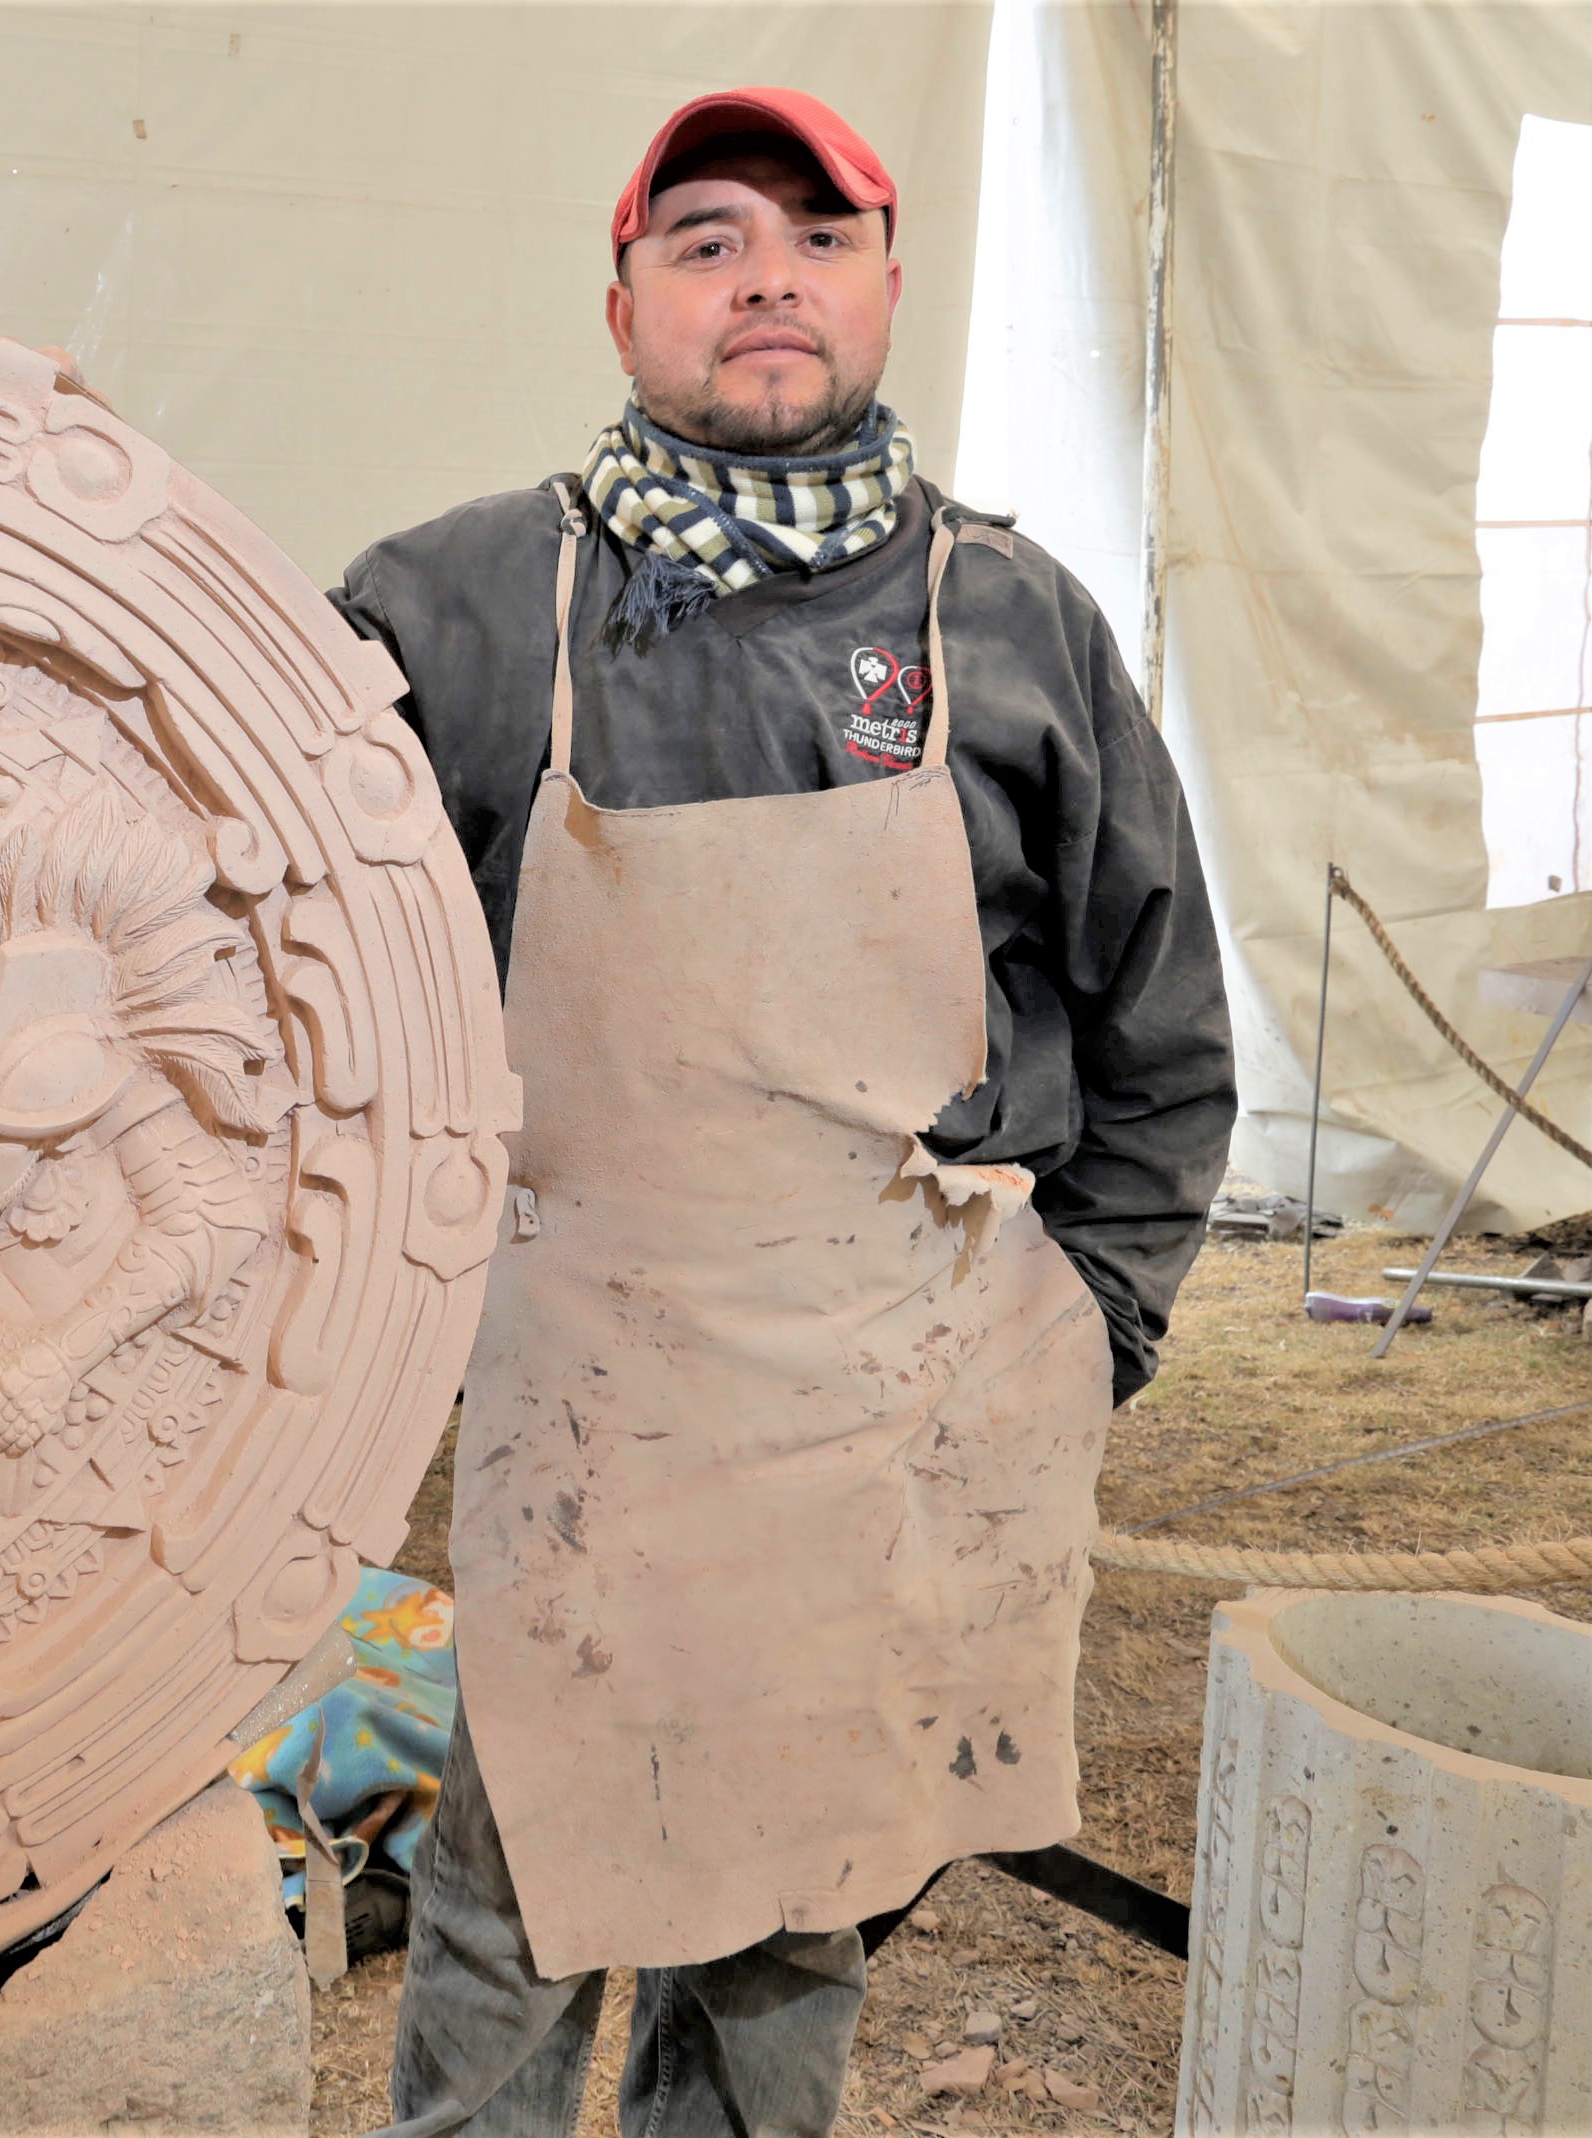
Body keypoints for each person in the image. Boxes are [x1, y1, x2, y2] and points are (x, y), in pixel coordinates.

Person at [328, 88, 1236, 2138]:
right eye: (707, 237)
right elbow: (259, 917)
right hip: (583, 1389)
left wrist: (1083, 1330)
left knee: (790, 1921)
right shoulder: (461, 610)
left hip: (884, 1402)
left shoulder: (1004, 625)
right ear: (622, 303)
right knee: (509, 1898)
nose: (765, 276)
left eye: (817, 238)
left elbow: (1159, 1022)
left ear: (886, 287)